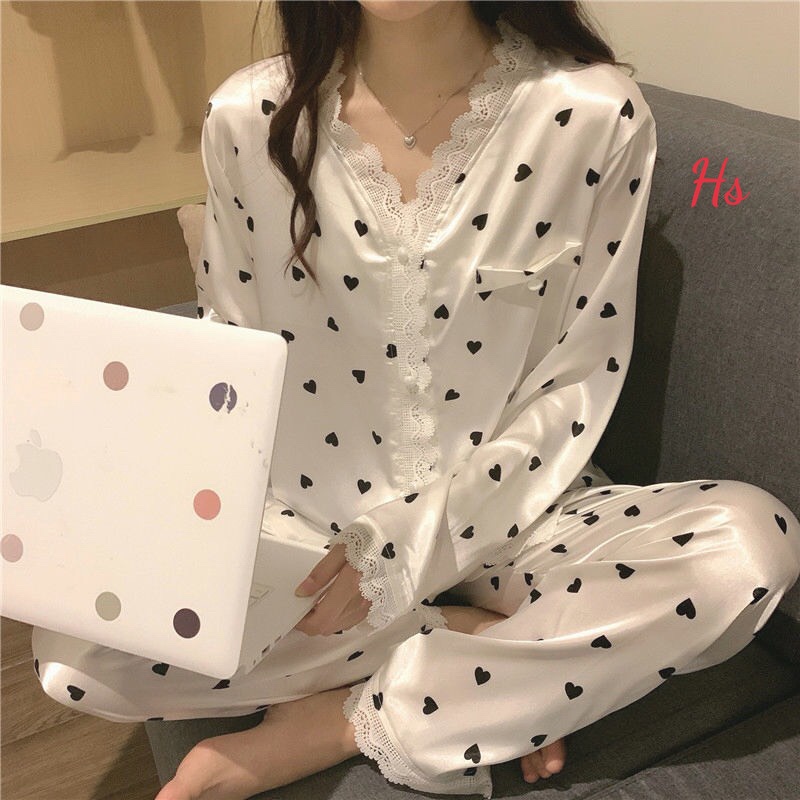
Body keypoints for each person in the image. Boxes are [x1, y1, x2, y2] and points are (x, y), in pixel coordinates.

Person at [30, 3, 800, 800]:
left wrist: (408, 550)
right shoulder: (247, 117)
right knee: (79, 652)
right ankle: (477, 648)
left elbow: (574, 384)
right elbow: (232, 367)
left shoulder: (593, 114)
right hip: (310, 536)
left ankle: (352, 719)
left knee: (748, 546)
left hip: (518, 516)